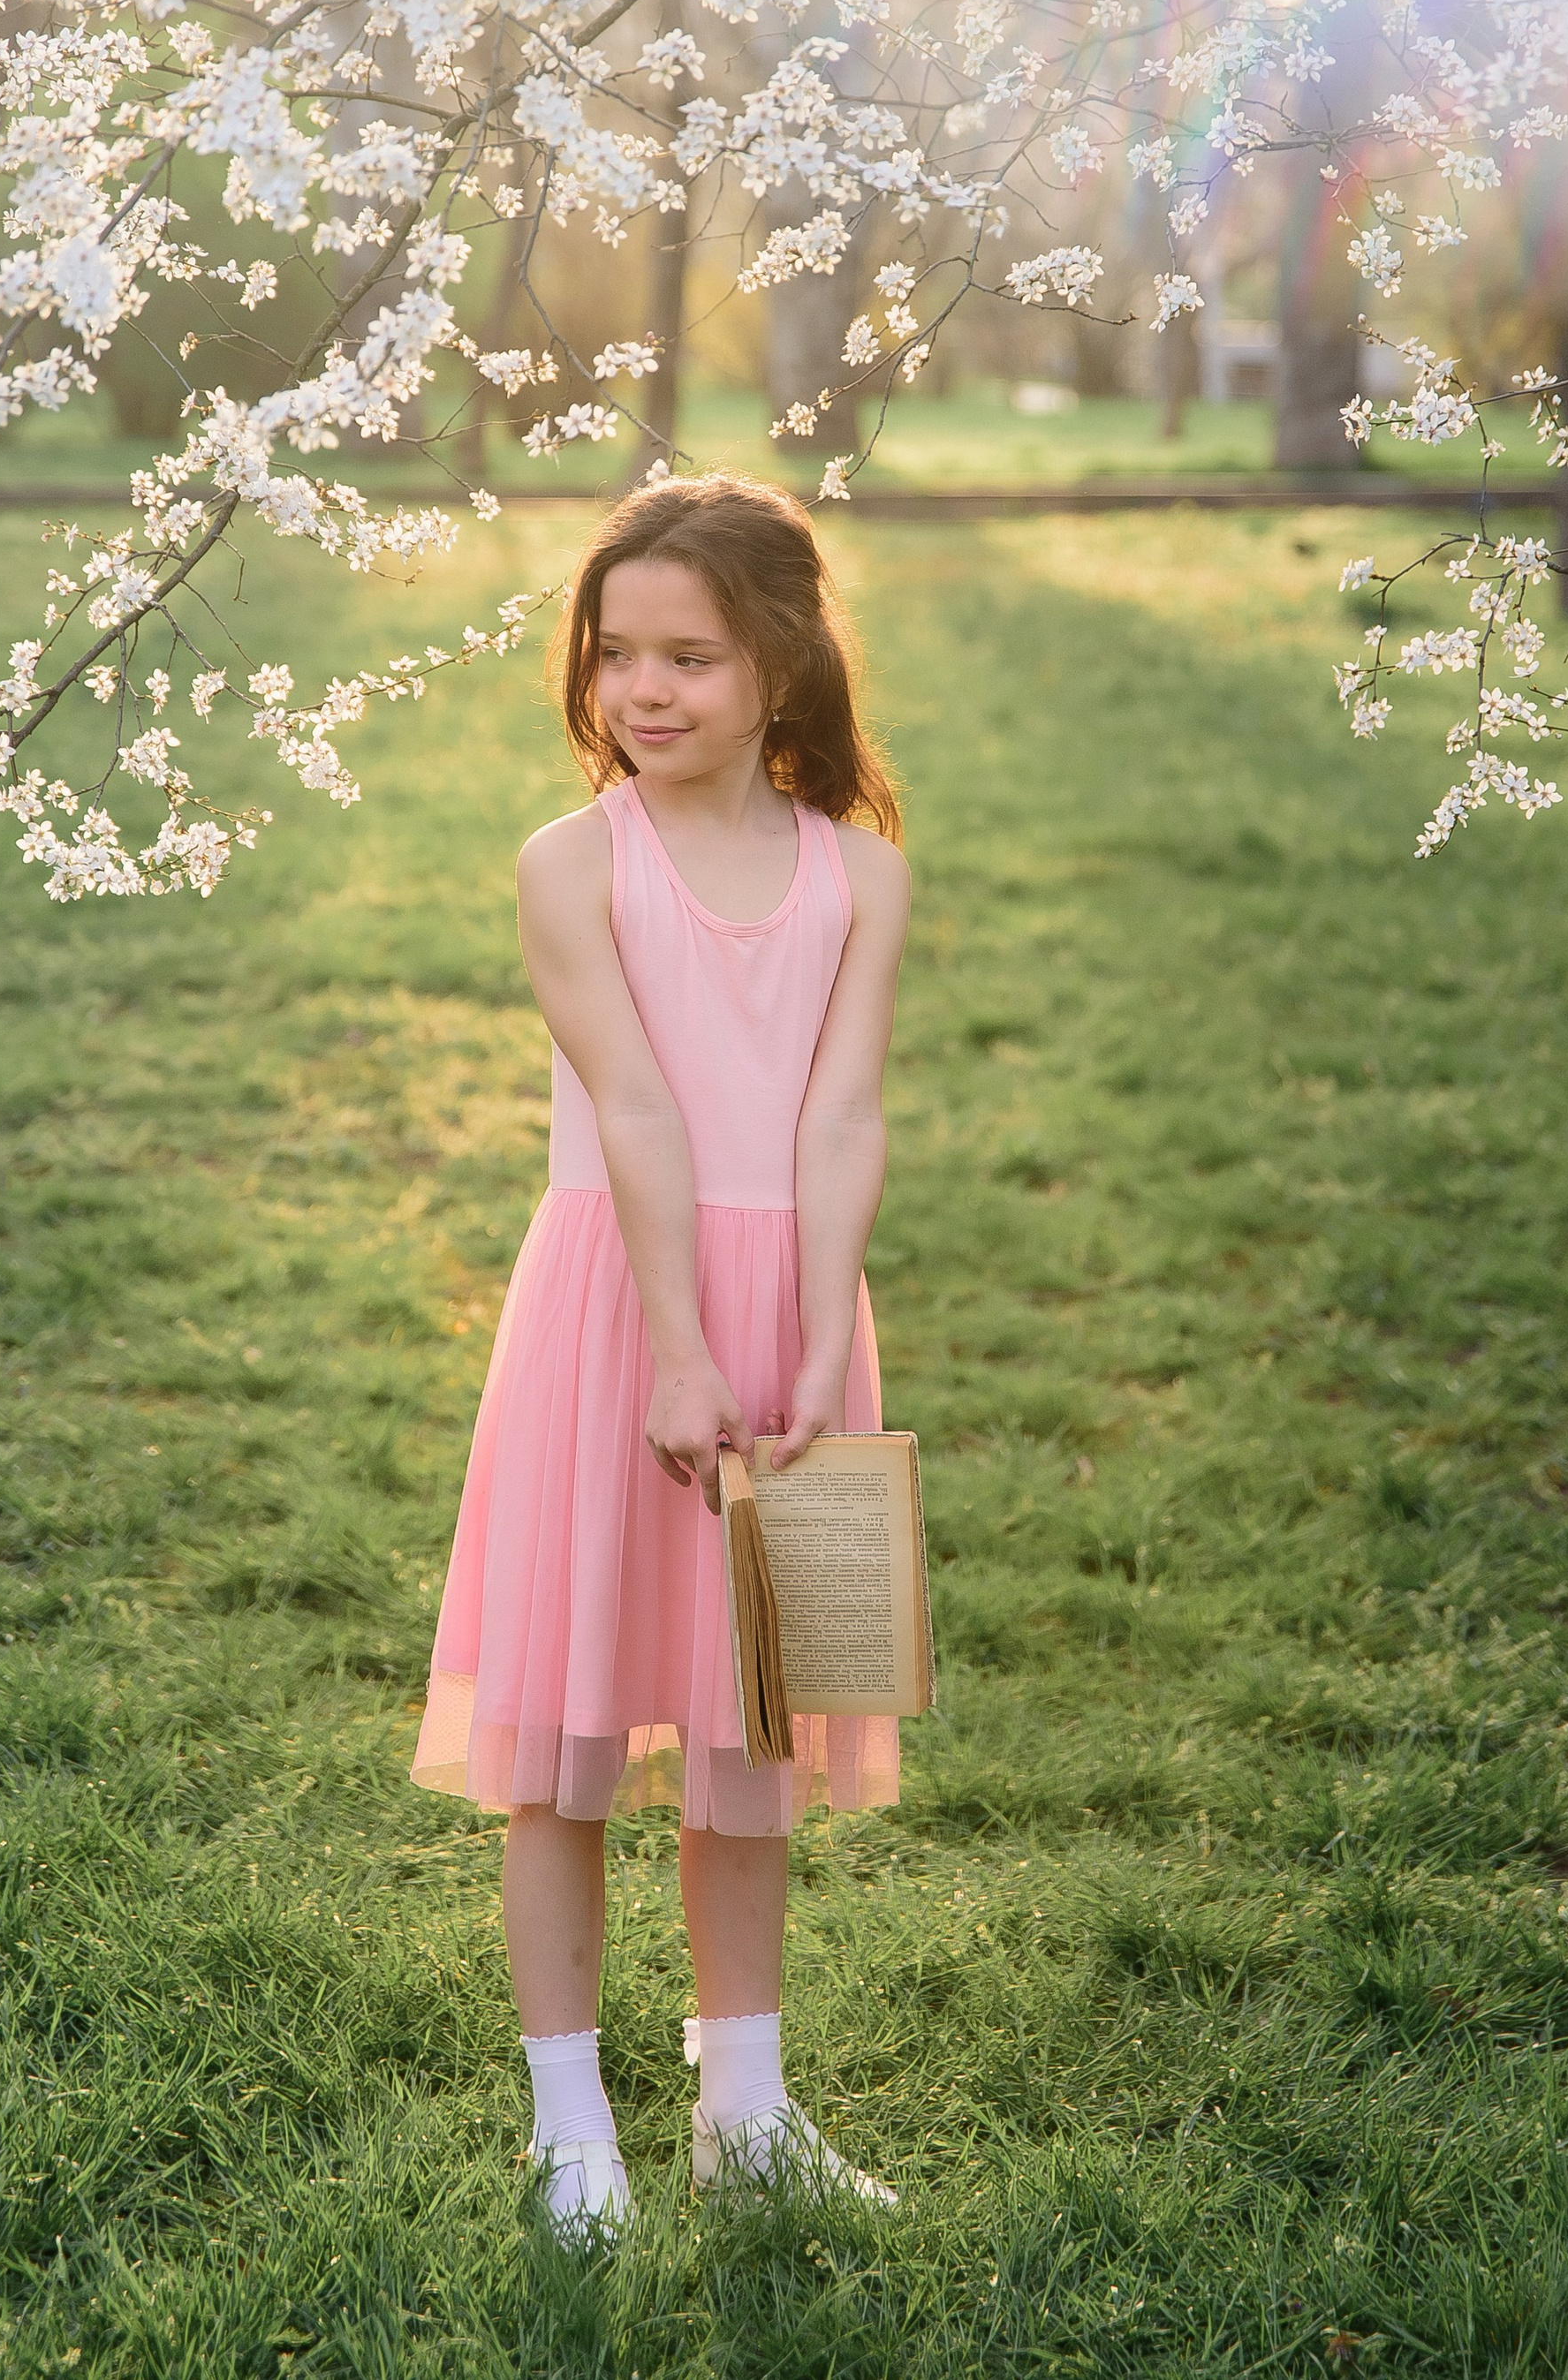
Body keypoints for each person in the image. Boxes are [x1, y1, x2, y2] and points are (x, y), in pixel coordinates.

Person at [411, 472, 911, 2238]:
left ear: (778, 662)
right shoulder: (571, 861)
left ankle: (744, 2109)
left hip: (795, 1325)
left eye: (687, 656)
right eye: (615, 652)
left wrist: (816, 1343)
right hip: (620, 1305)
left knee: (753, 1723)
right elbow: (631, 1098)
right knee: (558, 1727)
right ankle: (567, 2124)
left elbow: (842, 1116)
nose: (643, 689)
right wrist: (687, 1347)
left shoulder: (859, 872)